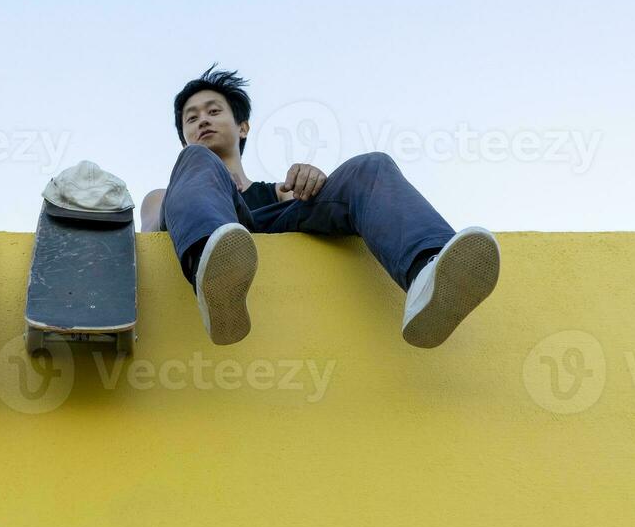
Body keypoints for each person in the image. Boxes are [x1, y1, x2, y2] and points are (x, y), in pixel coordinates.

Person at [139, 66, 499, 348]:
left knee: (370, 165)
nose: (202, 119)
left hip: (266, 223)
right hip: (208, 230)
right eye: (191, 117)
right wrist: (202, 186)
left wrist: (313, 181)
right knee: (198, 162)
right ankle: (211, 274)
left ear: (243, 127)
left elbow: (318, 206)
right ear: (184, 134)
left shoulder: (277, 192)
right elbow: (154, 236)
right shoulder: (164, 194)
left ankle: (427, 273)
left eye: (214, 111)